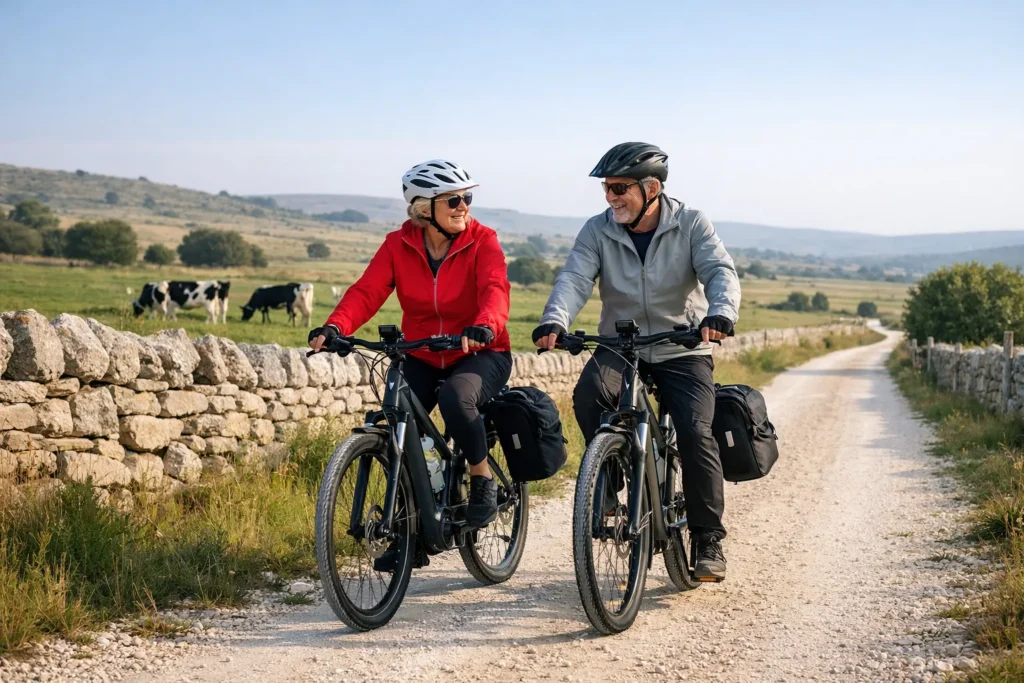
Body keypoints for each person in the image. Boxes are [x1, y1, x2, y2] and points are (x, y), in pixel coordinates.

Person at [533, 142, 741, 580]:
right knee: (589, 395)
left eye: (619, 188)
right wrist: (555, 320)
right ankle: (609, 478)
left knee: (694, 430)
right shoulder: (597, 230)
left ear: (652, 188)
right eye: (607, 189)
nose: (610, 197)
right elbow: (574, 277)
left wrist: (720, 313)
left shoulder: (690, 223)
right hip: (620, 345)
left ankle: (708, 539)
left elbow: (719, 271)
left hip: (681, 347)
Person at [309, 159, 512, 537]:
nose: (464, 206)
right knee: (397, 417)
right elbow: (367, 291)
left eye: (467, 197)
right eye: (453, 200)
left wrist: (485, 325)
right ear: (424, 208)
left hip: (480, 352)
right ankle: (406, 530)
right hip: (421, 352)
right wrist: (336, 326)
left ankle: (481, 477)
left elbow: (495, 289)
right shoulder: (397, 244)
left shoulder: (483, 240)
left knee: (455, 398)